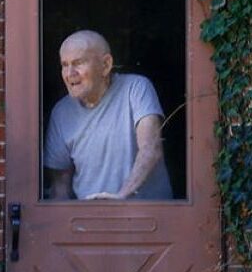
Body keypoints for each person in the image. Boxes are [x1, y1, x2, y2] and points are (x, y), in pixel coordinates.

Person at [43, 30, 172, 200]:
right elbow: (60, 184)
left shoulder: (136, 88)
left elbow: (151, 149)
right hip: (89, 214)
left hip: (147, 213)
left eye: (78, 63)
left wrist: (121, 196)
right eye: (64, 65)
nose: (69, 73)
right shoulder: (61, 112)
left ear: (106, 65)